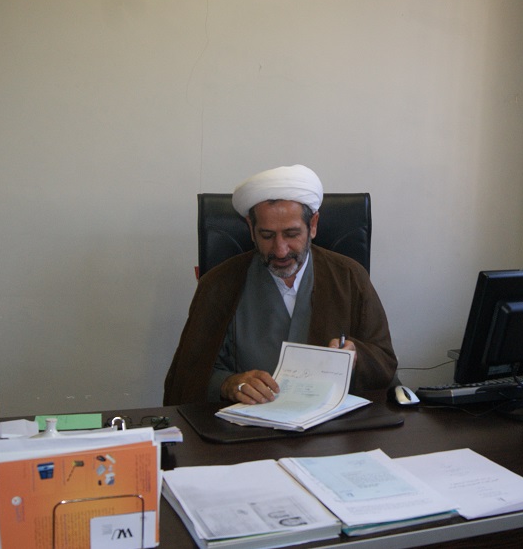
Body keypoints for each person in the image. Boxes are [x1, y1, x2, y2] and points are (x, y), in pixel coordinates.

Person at [163, 164, 398, 405]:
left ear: (313, 225)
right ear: (251, 229)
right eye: (266, 235)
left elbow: (385, 363)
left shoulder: (349, 277)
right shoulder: (218, 285)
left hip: (331, 423)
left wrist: (357, 357)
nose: (280, 250)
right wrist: (228, 384)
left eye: (291, 234)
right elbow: (185, 378)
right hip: (246, 424)